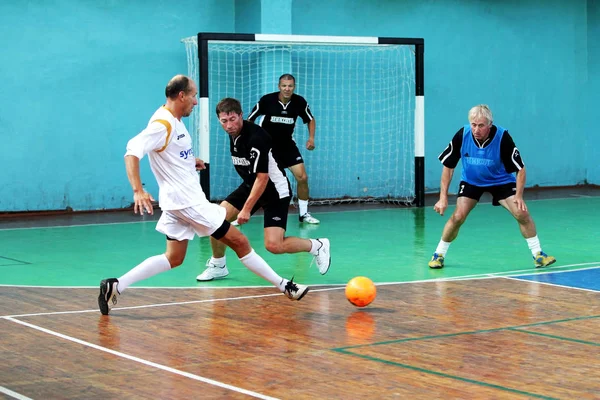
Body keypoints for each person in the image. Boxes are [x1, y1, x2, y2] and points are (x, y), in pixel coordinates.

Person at [98, 75, 309, 315]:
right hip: (189, 202)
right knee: (240, 242)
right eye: (193, 95)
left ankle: (116, 285)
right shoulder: (162, 124)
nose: (196, 102)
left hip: (176, 203)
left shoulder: (174, 120)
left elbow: (169, 153)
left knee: (174, 258)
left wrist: (190, 162)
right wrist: (138, 189)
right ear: (181, 96)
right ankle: (285, 286)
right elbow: (131, 152)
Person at [195, 98, 331, 282]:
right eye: (224, 121)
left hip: (275, 191)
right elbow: (255, 178)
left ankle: (317, 246)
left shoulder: (257, 137)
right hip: (251, 185)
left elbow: (263, 177)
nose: (229, 125)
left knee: (274, 245)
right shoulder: (234, 133)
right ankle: (218, 265)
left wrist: (246, 209)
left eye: (233, 119)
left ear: (241, 115)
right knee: (216, 220)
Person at [428, 104, 556, 269]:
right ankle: (438, 254)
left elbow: (520, 169)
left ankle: (538, 254)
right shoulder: (463, 134)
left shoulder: (502, 137)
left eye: (481, 125)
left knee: (521, 213)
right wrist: (442, 197)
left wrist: (518, 196)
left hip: (500, 181)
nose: (476, 129)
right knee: (458, 217)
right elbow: (448, 166)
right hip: (471, 181)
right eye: (473, 125)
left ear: (490, 125)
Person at [247, 74, 320, 224]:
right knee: (258, 180)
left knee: (302, 177)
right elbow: (250, 119)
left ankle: (304, 214)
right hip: (267, 147)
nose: (287, 89)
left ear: (294, 87)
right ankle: (244, 211)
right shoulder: (267, 100)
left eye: (290, 86)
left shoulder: (299, 102)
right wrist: (252, 139)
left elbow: (310, 119)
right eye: (284, 86)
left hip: (287, 145)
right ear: (279, 86)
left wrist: (311, 138)